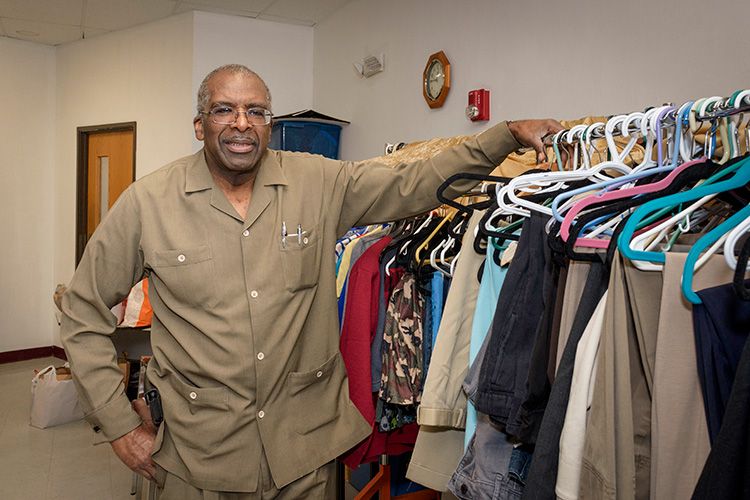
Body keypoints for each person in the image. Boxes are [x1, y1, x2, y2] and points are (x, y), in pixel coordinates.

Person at [61, 63, 565, 499]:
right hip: (199, 458)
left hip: (304, 453)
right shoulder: (148, 203)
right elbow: (83, 311)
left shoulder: (318, 182)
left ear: (270, 122)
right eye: (224, 110)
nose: (242, 124)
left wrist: (502, 136)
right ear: (199, 124)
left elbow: (414, 181)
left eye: (256, 111)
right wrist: (120, 426)